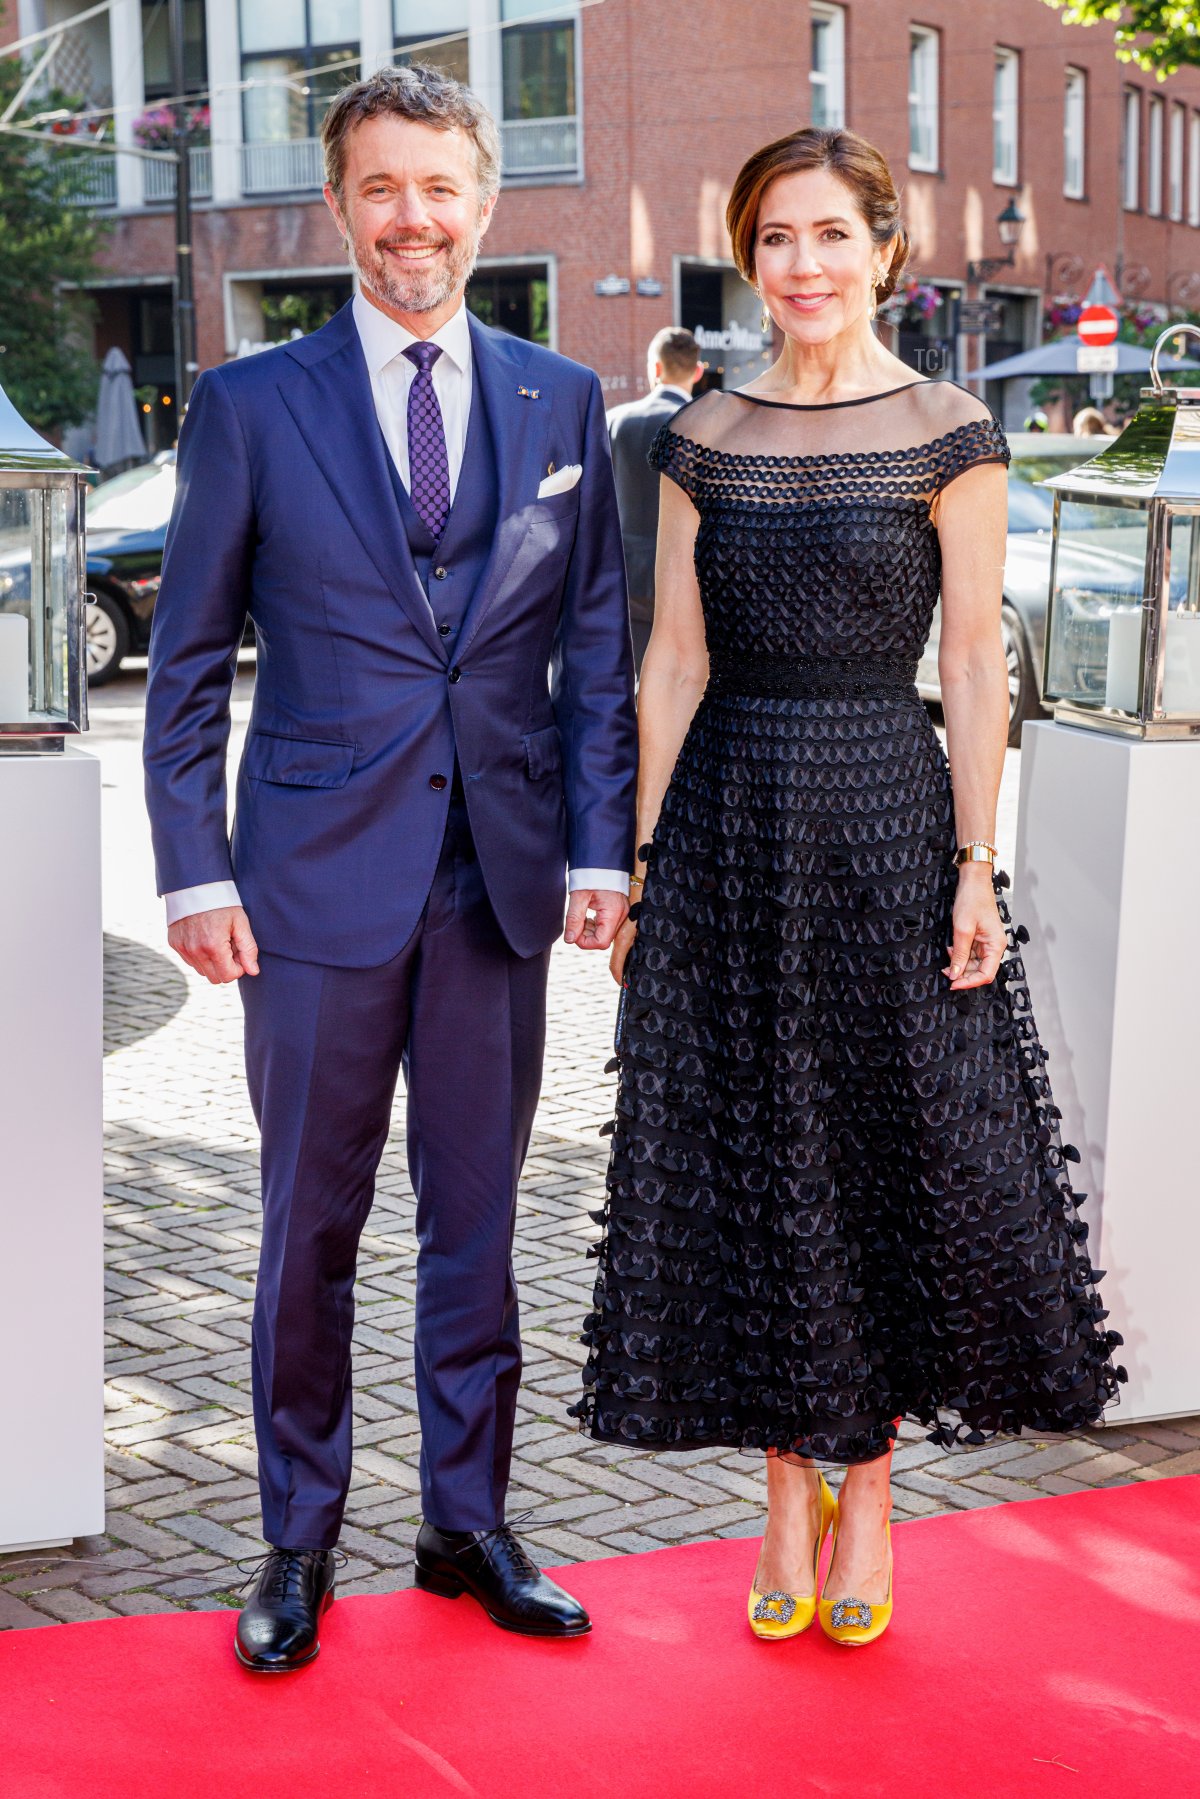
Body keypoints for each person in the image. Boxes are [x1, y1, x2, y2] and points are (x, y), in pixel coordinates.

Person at [572, 125, 1125, 1649]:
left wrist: (972, 862)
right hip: (735, 828)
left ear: (884, 247)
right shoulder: (699, 431)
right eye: (773, 240)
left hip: (882, 816)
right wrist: (642, 858)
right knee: (756, 1157)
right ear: (747, 260)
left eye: (828, 235)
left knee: (879, 1158)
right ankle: (779, 1486)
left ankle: (867, 1483)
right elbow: (670, 660)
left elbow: (967, 663)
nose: (801, 267)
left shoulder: (952, 427)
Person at [143, 63, 637, 1672]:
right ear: (341, 204)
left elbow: (593, 653)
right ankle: (296, 1535)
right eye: (381, 188)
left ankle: (465, 1519)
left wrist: (593, 845)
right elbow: (189, 663)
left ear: (483, 204)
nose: (412, 218)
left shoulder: (563, 402)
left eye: (439, 187)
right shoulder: (249, 403)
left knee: (477, 1218)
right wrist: (193, 871)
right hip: (309, 883)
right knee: (311, 1222)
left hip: (493, 879)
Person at [608, 329, 704, 670]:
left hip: (624, 576)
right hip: (688, 581)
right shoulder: (705, 425)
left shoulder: (616, 421)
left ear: (656, 369)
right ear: (697, 372)